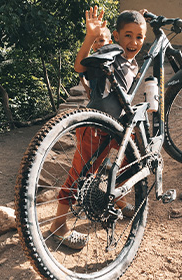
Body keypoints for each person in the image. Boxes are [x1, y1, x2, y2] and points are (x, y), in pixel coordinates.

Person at [50, 6, 147, 249]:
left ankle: (118, 199)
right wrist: (91, 38)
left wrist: (139, 18)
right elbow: (79, 67)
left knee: (129, 161)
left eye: (139, 36)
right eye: (127, 35)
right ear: (115, 37)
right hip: (94, 128)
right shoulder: (110, 56)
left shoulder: (131, 62)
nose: (134, 42)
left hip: (117, 127)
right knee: (81, 175)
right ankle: (58, 225)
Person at [78, 26, 113, 98]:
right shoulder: (90, 60)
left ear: (109, 42)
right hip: (95, 97)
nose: (98, 44)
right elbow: (81, 75)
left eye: (101, 40)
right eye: (94, 42)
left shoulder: (112, 59)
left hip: (110, 97)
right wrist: (87, 88)